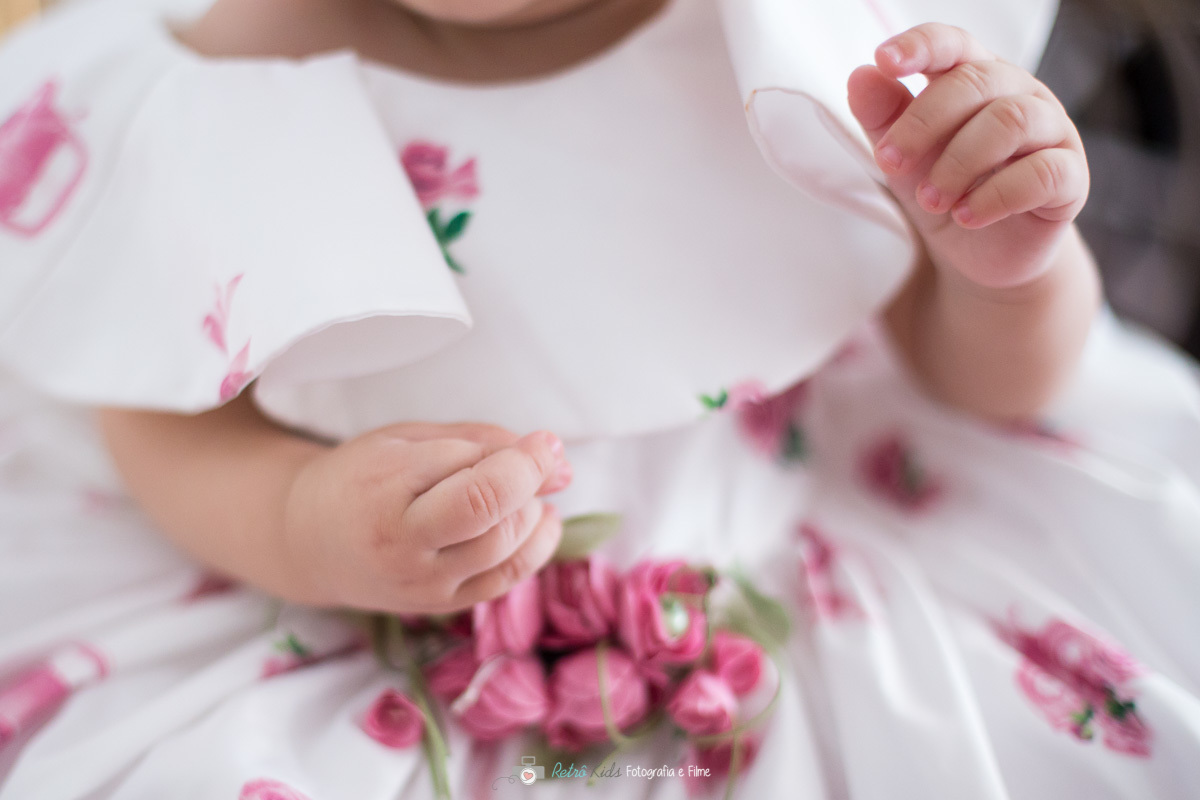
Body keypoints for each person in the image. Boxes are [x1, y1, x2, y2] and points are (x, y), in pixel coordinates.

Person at [0, 0, 1197, 797]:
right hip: (354, 631)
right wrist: (306, 517)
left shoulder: (791, 35)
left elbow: (980, 382)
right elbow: (161, 412)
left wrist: (1003, 268)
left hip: (794, 558)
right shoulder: (214, 71)